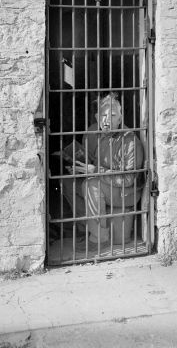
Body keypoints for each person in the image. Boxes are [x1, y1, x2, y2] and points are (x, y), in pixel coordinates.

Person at [63, 93, 144, 247]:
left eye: (112, 115)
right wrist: (79, 168)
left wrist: (95, 171)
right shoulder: (93, 133)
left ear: (120, 119)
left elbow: (128, 180)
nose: (106, 120)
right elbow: (90, 161)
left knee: (91, 185)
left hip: (126, 192)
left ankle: (98, 239)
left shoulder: (130, 141)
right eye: (102, 115)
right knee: (67, 183)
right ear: (96, 117)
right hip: (105, 183)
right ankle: (86, 228)